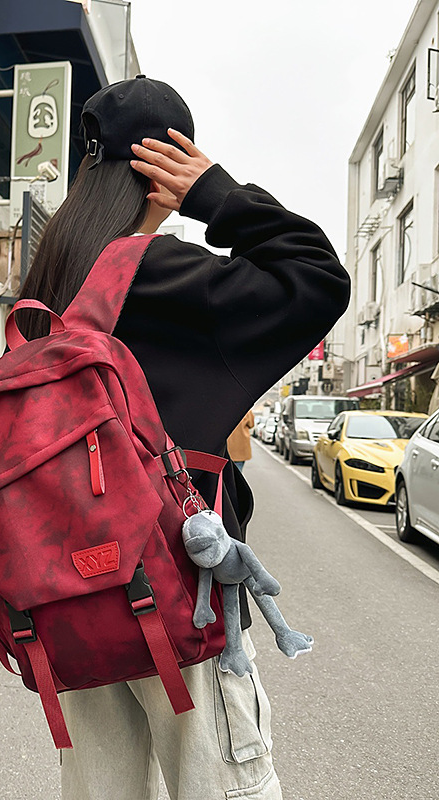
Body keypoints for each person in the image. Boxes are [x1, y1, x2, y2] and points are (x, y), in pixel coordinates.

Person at [18, 75, 350, 800]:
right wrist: (217, 195)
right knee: (229, 787)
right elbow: (318, 277)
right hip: (177, 594)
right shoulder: (167, 275)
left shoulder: (45, 282)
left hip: (69, 596)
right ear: (170, 162)